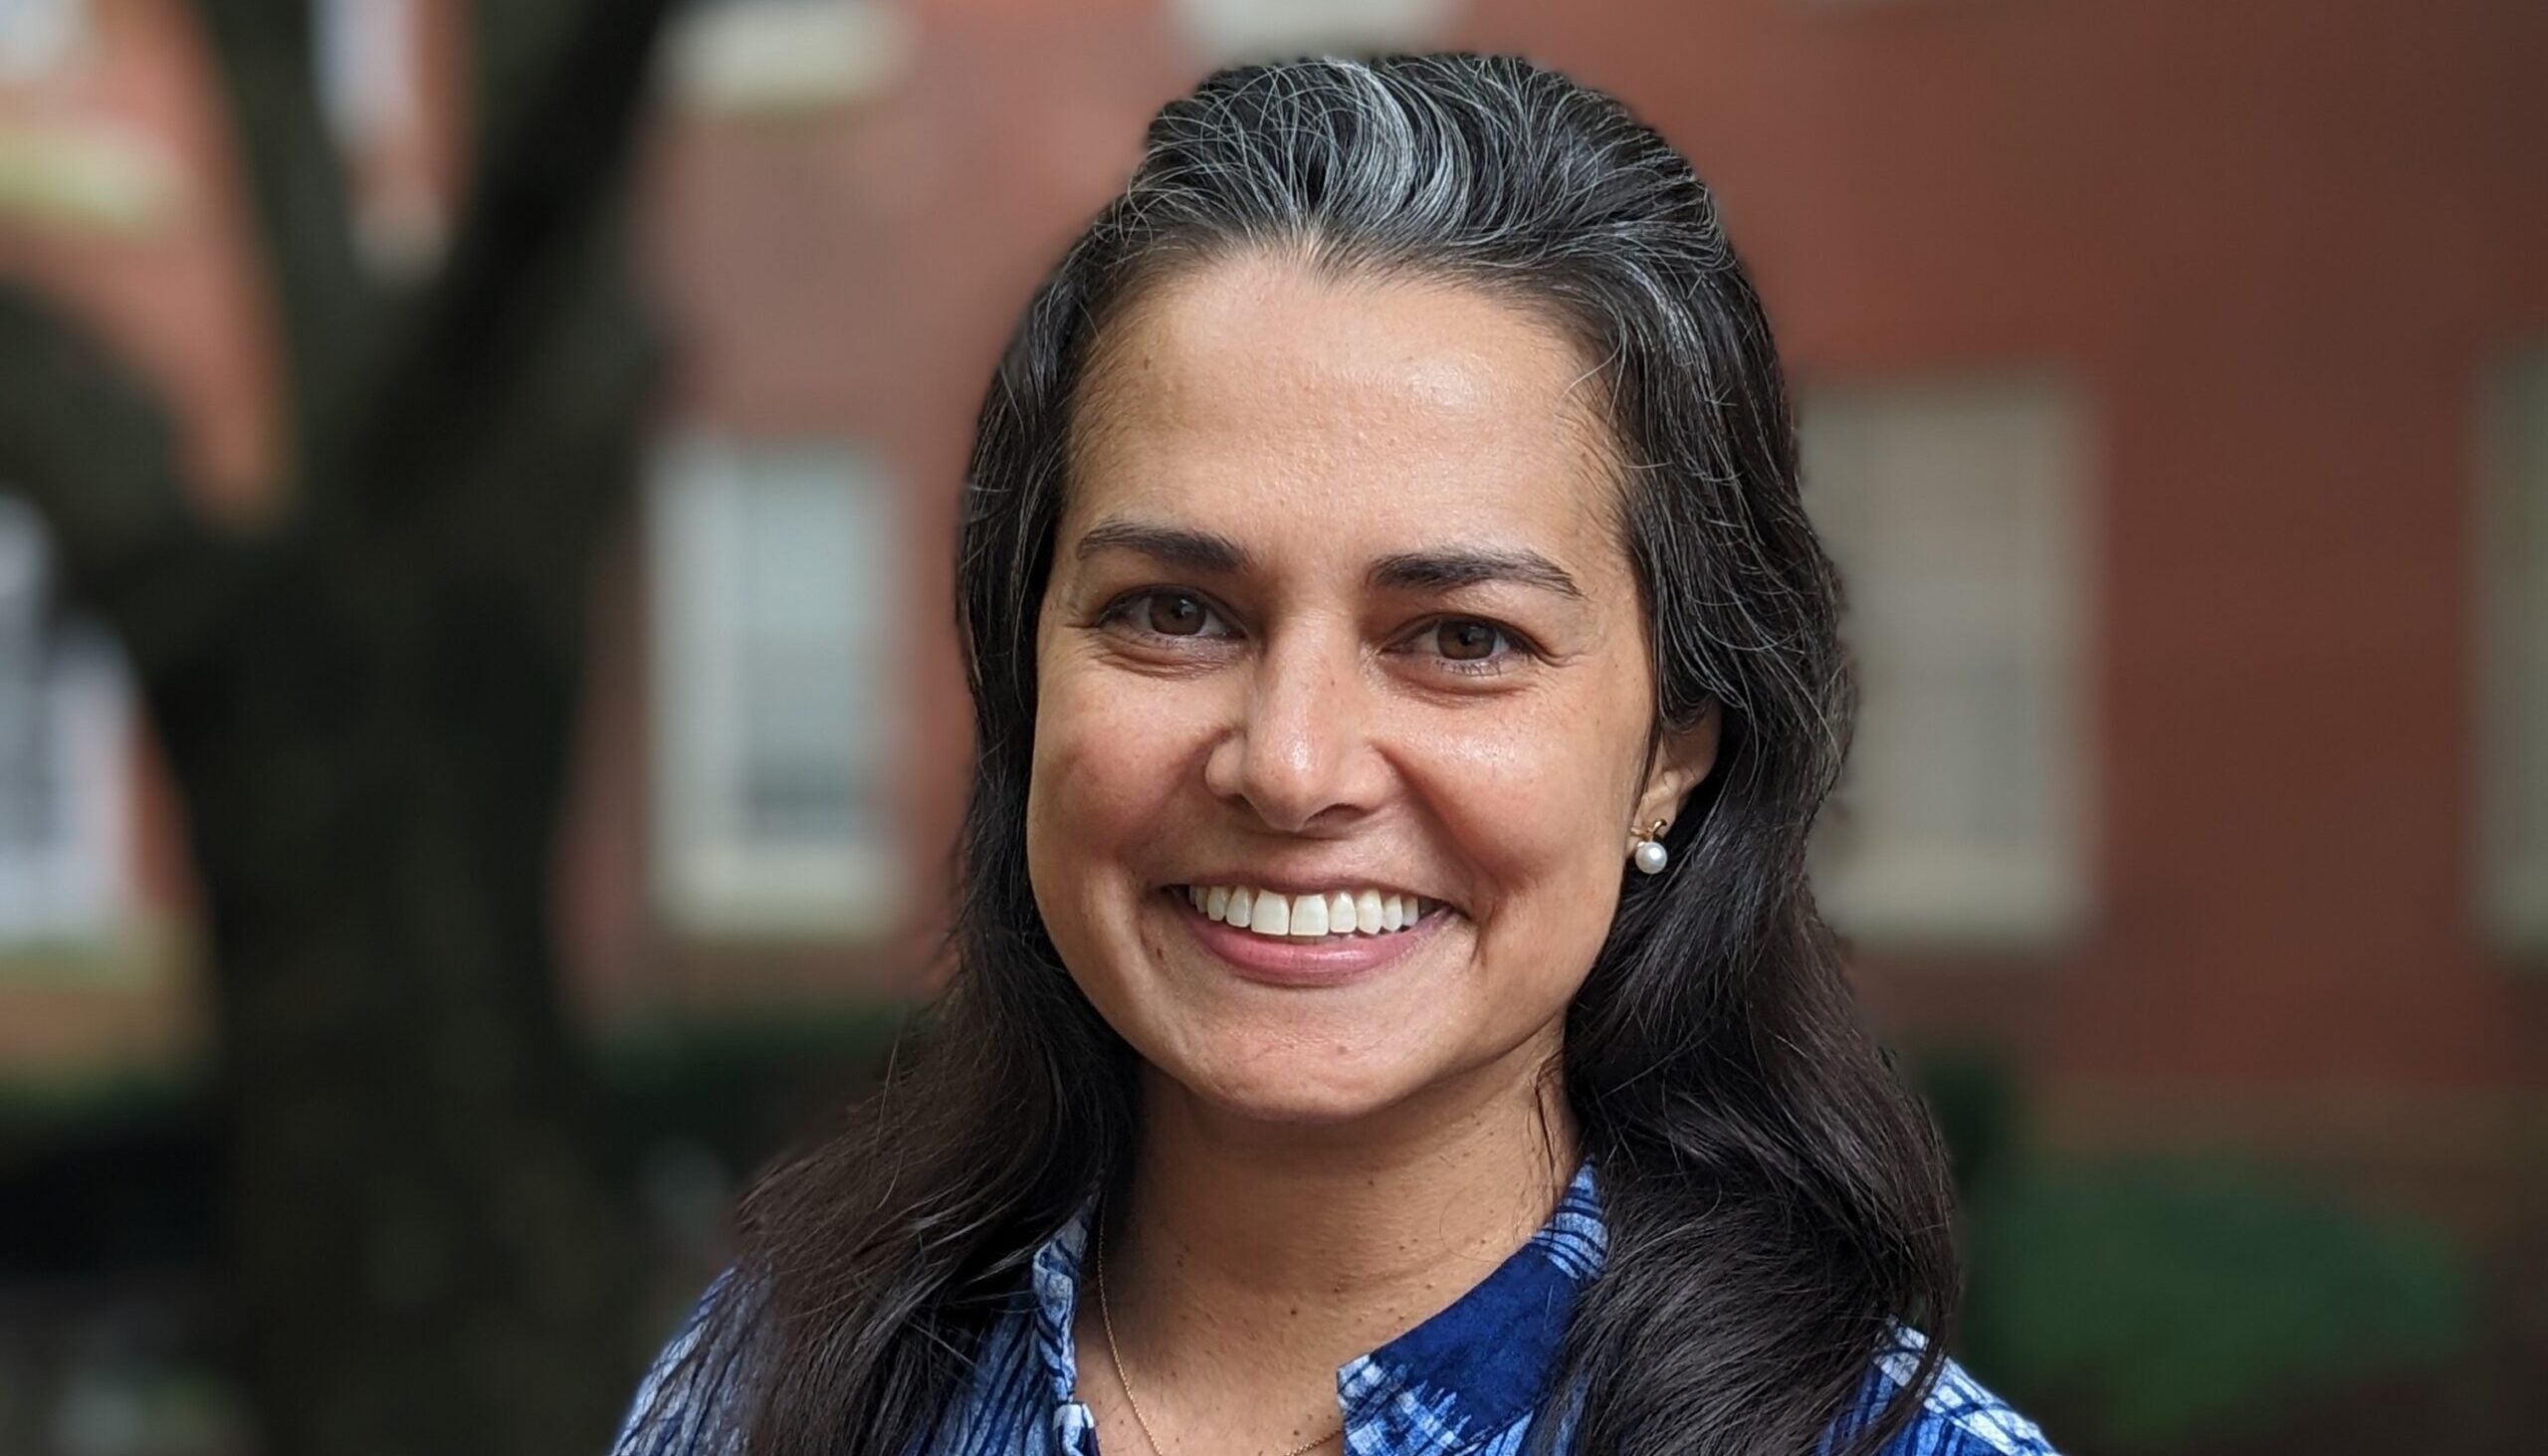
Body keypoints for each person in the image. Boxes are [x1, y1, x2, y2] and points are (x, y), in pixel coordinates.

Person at [613, 52, 2057, 1456]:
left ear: (1673, 750)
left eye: (1462, 637)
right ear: (1024, 666)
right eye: (1175, 613)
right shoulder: (768, 1393)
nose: (1292, 767)